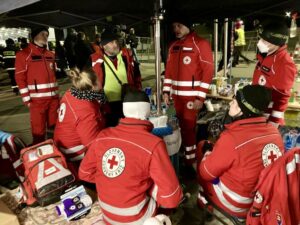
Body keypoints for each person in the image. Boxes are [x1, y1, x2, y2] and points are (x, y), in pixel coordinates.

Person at [79, 90, 182, 224]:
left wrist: (114, 179)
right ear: (147, 111)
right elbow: (172, 198)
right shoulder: (153, 144)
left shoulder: (103, 136)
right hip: (137, 218)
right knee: (164, 186)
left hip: (107, 215)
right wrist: (144, 185)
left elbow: (84, 173)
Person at [197, 85, 285, 219]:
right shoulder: (275, 132)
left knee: (202, 148)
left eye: (234, 100)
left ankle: (204, 201)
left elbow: (206, 173)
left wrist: (207, 156)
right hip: (262, 200)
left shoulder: (232, 138)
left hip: (239, 204)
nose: (231, 103)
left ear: (242, 109)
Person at [163, 13, 214, 165]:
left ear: (188, 25)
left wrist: (200, 97)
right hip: (177, 98)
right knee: (180, 128)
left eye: (179, 25)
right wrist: (166, 91)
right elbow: (169, 72)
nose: (176, 29)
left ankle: (191, 160)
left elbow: (208, 71)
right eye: (174, 27)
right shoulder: (173, 46)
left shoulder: (201, 43)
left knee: (188, 129)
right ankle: (186, 154)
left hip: (192, 98)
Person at [54, 68, 106, 174]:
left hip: (62, 144)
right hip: (74, 152)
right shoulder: (86, 111)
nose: (101, 81)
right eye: (99, 80)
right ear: (93, 86)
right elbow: (91, 143)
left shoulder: (72, 92)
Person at [15, 26, 59, 144]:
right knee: (38, 131)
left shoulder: (51, 54)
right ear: (35, 35)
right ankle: (39, 153)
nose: (46, 37)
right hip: (37, 101)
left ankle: (53, 152)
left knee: (54, 129)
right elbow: (20, 78)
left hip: (54, 100)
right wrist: (27, 100)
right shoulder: (23, 54)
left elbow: (53, 74)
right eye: (43, 34)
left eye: (47, 34)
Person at [89, 28, 142, 127]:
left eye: (116, 41)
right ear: (103, 45)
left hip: (128, 102)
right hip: (107, 106)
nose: (116, 44)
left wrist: (138, 91)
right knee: (111, 132)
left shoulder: (127, 56)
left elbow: (137, 76)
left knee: (129, 130)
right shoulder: (95, 60)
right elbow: (89, 82)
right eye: (111, 42)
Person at [252, 21, 297, 127]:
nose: (260, 42)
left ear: (276, 42)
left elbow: (282, 97)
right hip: (258, 111)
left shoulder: (285, 63)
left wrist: (273, 123)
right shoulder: (264, 55)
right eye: (261, 39)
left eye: (265, 40)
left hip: (269, 118)